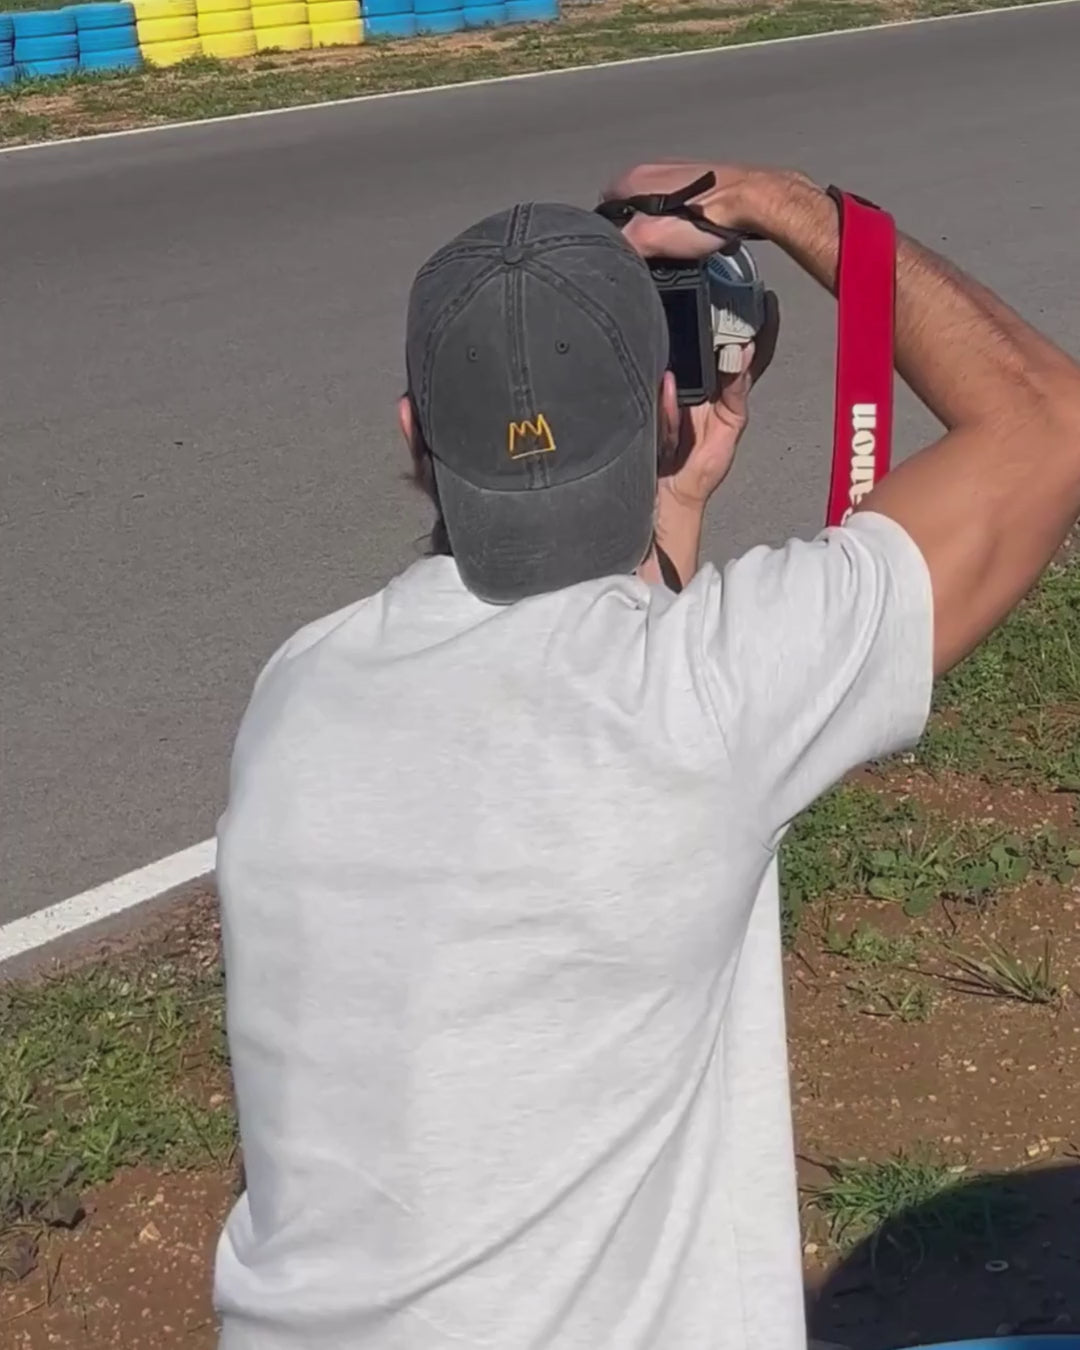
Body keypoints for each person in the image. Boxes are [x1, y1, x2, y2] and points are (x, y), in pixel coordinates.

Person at [212, 164, 1080, 1350]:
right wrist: (789, 205)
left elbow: (573, 701)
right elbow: (1046, 424)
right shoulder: (705, 698)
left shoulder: (298, 691)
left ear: (415, 432)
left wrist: (671, 505)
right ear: (671, 408)